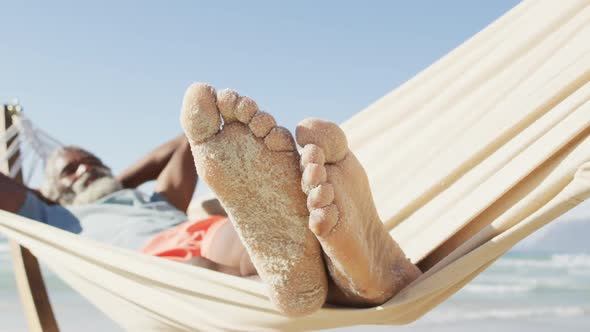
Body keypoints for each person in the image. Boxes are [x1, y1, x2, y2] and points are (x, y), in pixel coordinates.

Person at [0, 82, 422, 317]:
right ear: (48, 190)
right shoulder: (51, 215)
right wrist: (84, 186)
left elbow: (187, 141)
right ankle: (356, 275)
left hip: (194, 232)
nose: (85, 170)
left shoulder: (154, 199)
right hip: (150, 266)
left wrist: (115, 181)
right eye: (70, 171)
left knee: (242, 246)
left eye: (93, 162)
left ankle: (350, 273)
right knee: (202, 272)